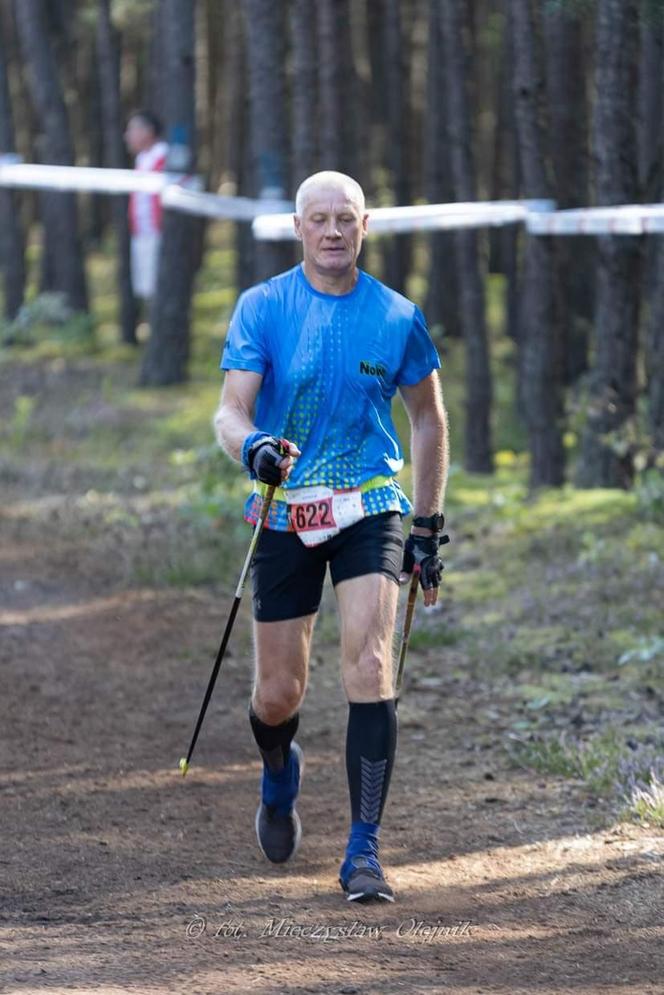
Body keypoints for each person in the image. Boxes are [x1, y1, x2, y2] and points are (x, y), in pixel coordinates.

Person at [214, 170, 449, 904]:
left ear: (366, 225)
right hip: (287, 507)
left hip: (369, 505)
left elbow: (429, 420)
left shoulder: (397, 315)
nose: (333, 231)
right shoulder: (264, 307)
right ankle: (280, 770)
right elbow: (228, 411)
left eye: (346, 218)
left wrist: (428, 526)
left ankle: (363, 849)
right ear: (298, 228)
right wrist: (252, 445)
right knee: (279, 692)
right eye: (319, 219)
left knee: (370, 665)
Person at [124, 110, 168, 301]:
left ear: (148, 132)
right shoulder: (142, 159)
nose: (128, 136)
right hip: (142, 232)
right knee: (146, 288)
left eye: (133, 129)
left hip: (158, 234)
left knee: (158, 286)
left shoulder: (163, 157)